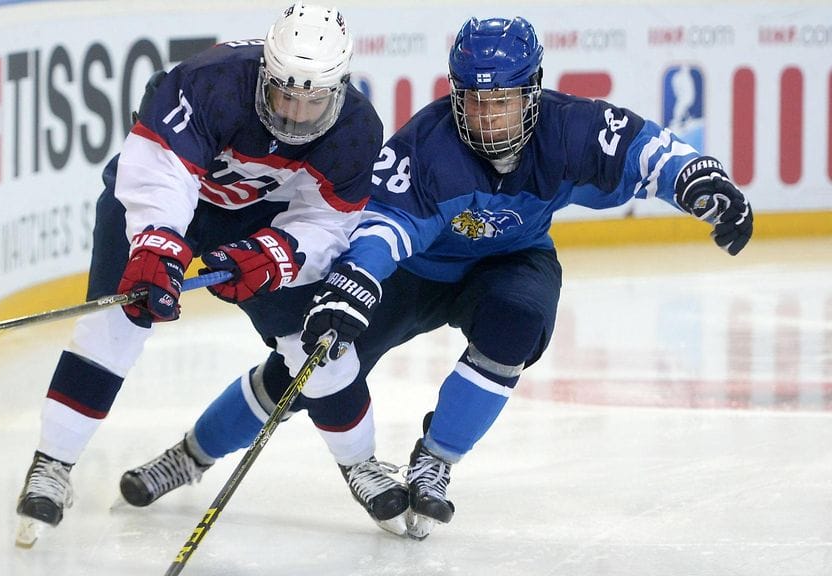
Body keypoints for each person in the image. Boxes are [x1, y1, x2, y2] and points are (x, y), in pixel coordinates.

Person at [126, 14, 754, 541]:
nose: (488, 117)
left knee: (517, 325)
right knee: (310, 368)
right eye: (475, 100)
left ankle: (435, 462)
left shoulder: (571, 128)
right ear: (455, 94)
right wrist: (353, 285)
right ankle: (191, 455)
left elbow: (646, 152)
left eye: (502, 100)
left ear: (533, 93)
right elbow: (383, 231)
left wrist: (702, 180)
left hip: (510, 264)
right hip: (411, 272)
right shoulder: (423, 147)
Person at [13, 3, 403, 547]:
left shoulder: (357, 131)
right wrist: (156, 244)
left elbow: (327, 223)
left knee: (317, 345)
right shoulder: (207, 82)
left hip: (262, 222)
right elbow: (159, 173)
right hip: (175, 204)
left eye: (312, 99)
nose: (294, 112)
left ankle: (362, 465)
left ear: (337, 90)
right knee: (115, 325)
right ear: (266, 72)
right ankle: (51, 464)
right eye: (284, 93)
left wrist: (274, 255)